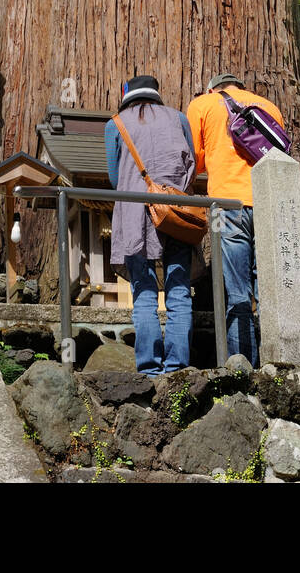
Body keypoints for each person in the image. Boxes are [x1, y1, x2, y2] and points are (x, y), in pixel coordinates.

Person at [186, 73, 285, 368]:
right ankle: (277, 364)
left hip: (227, 205)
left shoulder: (202, 105)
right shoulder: (269, 106)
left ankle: (243, 366)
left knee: (237, 291)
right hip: (269, 203)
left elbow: (196, 160)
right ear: (240, 87)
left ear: (211, 88)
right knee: (269, 288)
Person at [105, 75, 197, 375]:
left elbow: (114, 178)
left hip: (134, 215)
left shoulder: (115, 124)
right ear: (157, 95)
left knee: (143, 291)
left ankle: (148, 367)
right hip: (177, 212)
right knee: (179, 289)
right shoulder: (179, 119)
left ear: (126, 96)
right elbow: (191, 165)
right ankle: (177, 367)